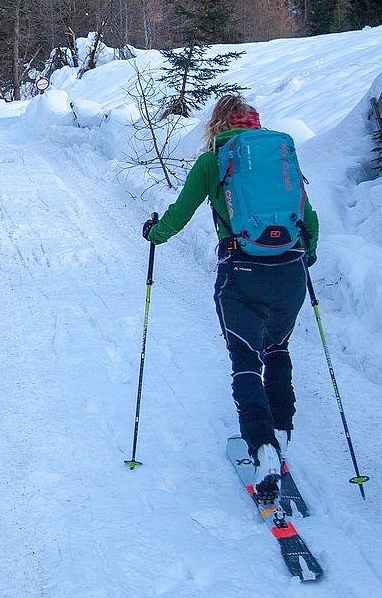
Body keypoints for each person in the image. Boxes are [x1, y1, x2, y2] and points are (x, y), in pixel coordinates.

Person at [142, 94, 318, 499]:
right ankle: (281, 436)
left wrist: (154, 233)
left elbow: (179, 215)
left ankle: (262, 449)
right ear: (255, 124)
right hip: (290, 273)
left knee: (245, 361)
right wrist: (306, 254)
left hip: (242, 273)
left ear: (217, 125)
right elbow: (309, 219)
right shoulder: (281, 159)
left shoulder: (213, 161)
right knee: (277, 350)